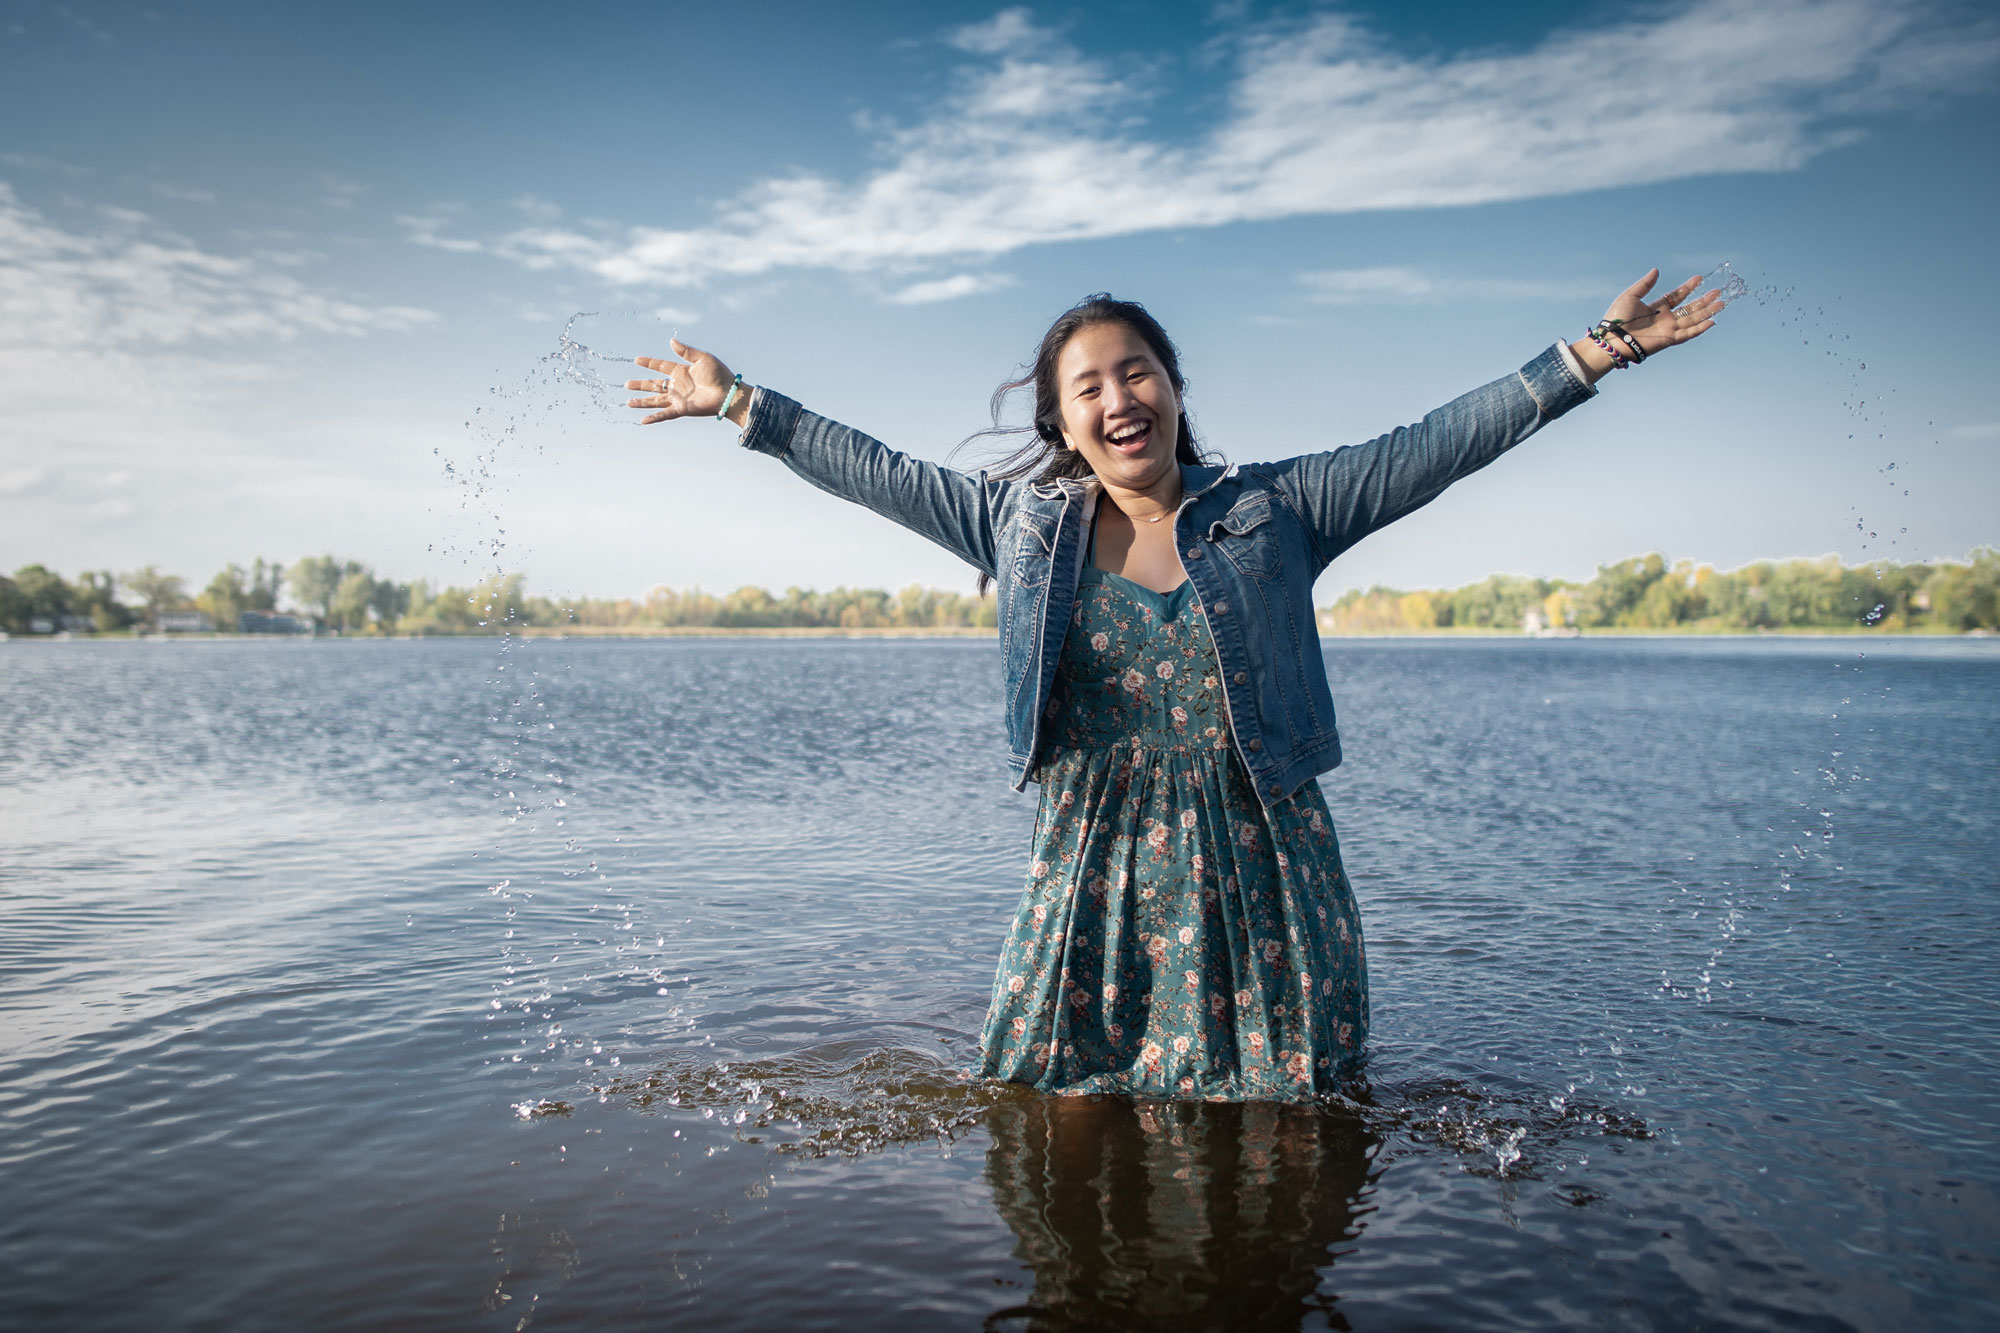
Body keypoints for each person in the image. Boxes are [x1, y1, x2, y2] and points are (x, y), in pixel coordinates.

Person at [626, 271, 1722, 1101]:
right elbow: (872, 468)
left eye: (1135, 369)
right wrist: (740, 405)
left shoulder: (1277, 508)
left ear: (1171, 387)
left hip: (1261, 855)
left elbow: (1434, 444)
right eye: (1086, 385)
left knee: (1283, 1109)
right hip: (1090, 860)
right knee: (1051, 1100)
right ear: (1060, 421)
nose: (1117, 396)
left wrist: (1597, 351)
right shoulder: (1019, 527)